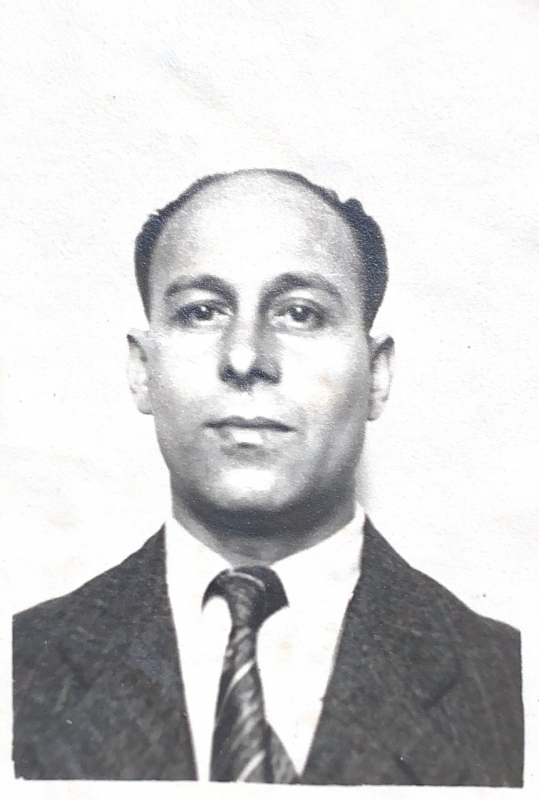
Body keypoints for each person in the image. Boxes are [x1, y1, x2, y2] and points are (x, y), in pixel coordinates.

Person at [13, 169, 523, 785]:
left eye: (300, 313)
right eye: (202, 311)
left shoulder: (508, 682)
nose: (246, 356)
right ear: (143, 370)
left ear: (377, 375)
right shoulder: (21, 665)